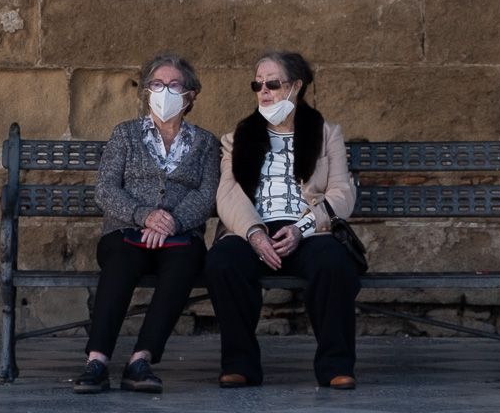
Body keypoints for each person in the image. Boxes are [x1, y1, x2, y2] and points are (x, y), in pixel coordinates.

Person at [205, 51, 360, 390]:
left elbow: (341, 193)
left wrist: (301, 228)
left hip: (308, 230)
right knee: (222, 262)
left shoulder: (326, 133)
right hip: (253, 228)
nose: (264, 91)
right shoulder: (237, 138)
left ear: (296, 86)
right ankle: (239, 364)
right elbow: (229, 195)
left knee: (334, 263)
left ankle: (335, 365)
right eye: (257, 84)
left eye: (273, 84)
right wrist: (255, 234)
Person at [73, 53, 221, 394]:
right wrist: (144, 216)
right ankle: (96, 361)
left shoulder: (205, 143)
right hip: (125, 230)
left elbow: (208, 194)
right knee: (121, 261)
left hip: (180, 236)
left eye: (174, 85)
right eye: (156, 84)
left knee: (185, 263)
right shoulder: (125, 134)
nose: (164, 91)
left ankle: (141, 360)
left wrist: (173, 221)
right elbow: (106, 188)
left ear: (191, 94)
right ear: (146, 91)